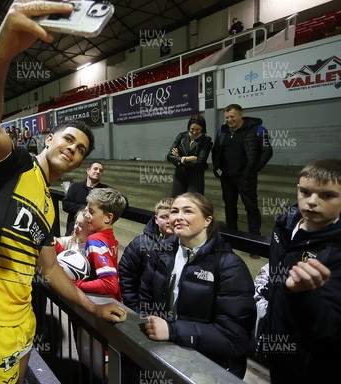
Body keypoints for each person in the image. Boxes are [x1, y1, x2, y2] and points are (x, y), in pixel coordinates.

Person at [0, 0, 127, 383]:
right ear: (48, 140)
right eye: (68, 139)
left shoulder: (49, 206)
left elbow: (50, 270)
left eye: (81, 149)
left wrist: (92, 307)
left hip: (21, 323)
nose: (73, 149)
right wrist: (2, 51)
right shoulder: (13, 164)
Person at [140, 192, 256, 378]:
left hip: (209, 368)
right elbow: (146, 295)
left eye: (188, 211)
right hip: (166, 353)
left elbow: (234, 337)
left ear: (207, 220)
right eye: (174, 211)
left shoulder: (230, 266)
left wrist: (172, 331)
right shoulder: (162, 252)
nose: (178, 217)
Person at [257, 159, 341, 383]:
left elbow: (330, 329)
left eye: (328, 195)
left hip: (313, 362)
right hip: (278, 343)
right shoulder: (284, 227)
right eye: (305, 192)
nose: (312, 202)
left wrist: (305, 296)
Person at [212, 103, 273, 234]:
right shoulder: (222, 132)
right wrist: (216, 167)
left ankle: (254, 237)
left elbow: (267, 152)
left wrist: (253, 170)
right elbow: (216, 151)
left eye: (232, 117)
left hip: (246, 177)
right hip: (227, 177)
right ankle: (232, 234)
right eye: (227, 117)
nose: (229, 120)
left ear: (241, 115)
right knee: (229, 206)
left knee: (251, 207)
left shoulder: (258, 129)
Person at [119, 197, 174, 313]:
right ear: (156, 219)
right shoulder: (140, 243)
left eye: (171, 216)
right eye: (164, 217)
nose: (168, 221)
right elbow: (126, 276)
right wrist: (136, 308)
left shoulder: (185, 247)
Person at [74, 187, 127, 301]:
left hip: (101, 302)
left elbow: (109, 284)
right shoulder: (111, 238)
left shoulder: (95, 240)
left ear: (108, 218)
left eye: (91, 212)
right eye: (87, 209)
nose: (86, 215)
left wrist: (77, 285)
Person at [167, 115, 213, 197]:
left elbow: (200, 162)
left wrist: (178, 158)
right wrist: (185, 159)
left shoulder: (206, 140)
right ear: (189, 127)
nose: (194, 132)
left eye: (198, 129)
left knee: (193, 202)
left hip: (195, 176)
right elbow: (169, 156)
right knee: (176, 200)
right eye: (192, 129)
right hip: (180, 175)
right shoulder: (181, 136)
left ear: (202, 128)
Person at [62, 161, 109, 235]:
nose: (98, 172)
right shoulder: (76, 186)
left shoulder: (105, 189)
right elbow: (66, 204)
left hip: (93, 233)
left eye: (101, 171)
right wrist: (84, 209)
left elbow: (120, 199)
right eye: (95, 169)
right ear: (88, 171)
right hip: (74, 230)